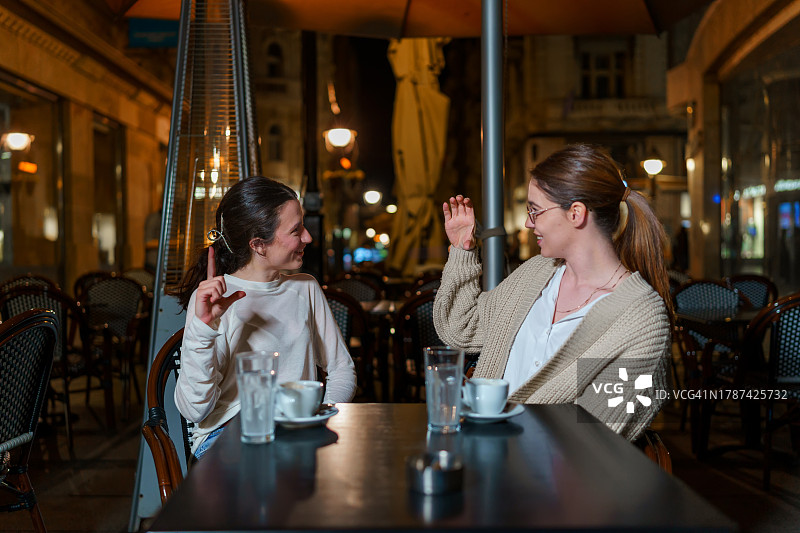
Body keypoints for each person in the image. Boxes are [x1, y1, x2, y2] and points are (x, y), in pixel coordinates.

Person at [433, 144, 672, 441]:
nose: (527, 223)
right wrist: (462, 250)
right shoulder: (536, 273)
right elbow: (461, 329)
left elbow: (593, 439)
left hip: (556, 481)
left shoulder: (641, 321)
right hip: (481, 451)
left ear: (576, 213)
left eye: (535, 210)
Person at [174, 176, 356, 459]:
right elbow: (193, 410)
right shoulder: (216, 297)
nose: (308, 237)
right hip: (229, 436)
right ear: (259, 245)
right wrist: (203, 327)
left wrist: (322, 415)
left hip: (296, 433)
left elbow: (342, 369)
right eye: (296, 230)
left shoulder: (305, 287)